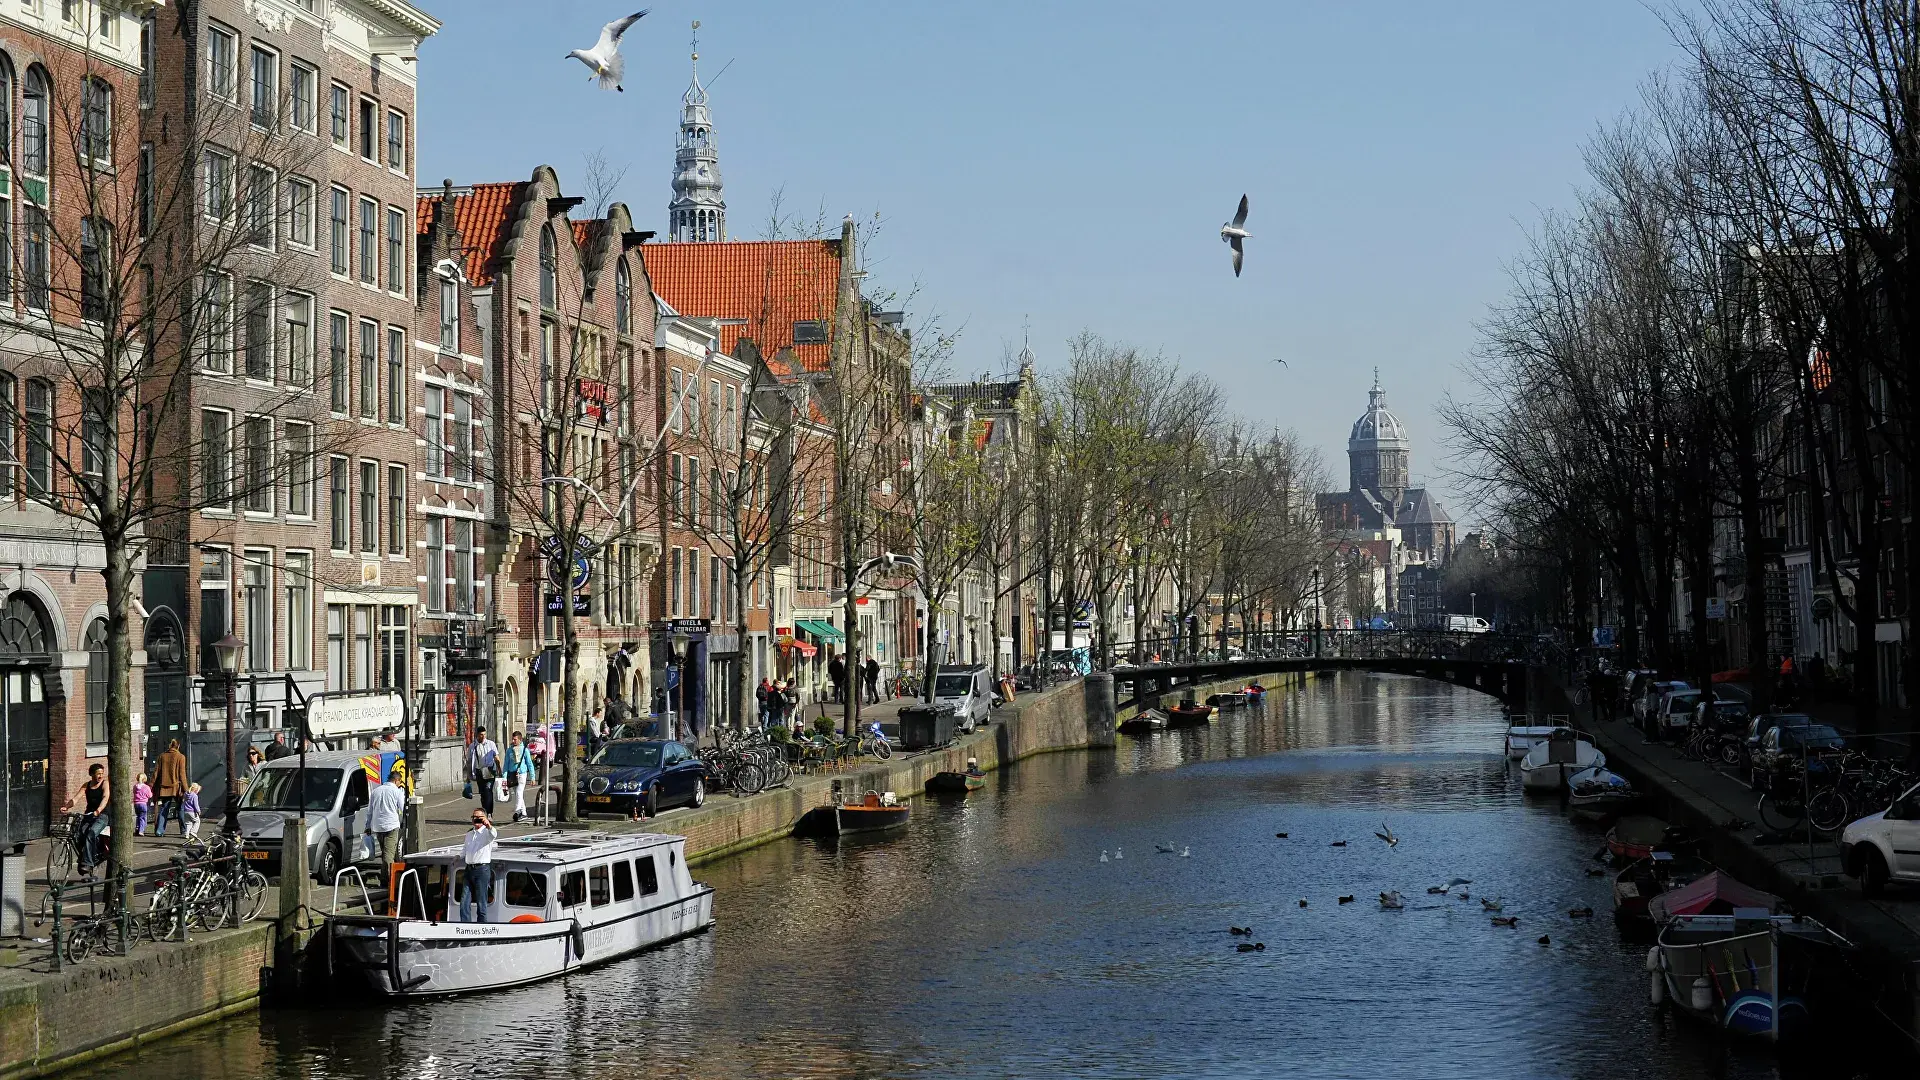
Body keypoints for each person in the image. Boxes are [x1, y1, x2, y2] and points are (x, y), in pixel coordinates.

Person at [62, 763, 110, 874]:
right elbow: (76, 798)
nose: (100, 776)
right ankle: (84, 857)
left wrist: (98, 810)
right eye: (98, 774)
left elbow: (105, 797)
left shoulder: (105, 784)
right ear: (92, 774)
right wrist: (66, 807)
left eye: (102, 773)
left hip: (102, 815)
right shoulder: (86, 785)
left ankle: (88, 863)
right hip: (89, 815)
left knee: (91, 833)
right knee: (78, 835)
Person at [365, 766, 407, 875]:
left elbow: (370, 811)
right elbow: (403, 808)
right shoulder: (397, 792)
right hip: (391, 826)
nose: (399, 784)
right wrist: (405, 822)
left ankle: (384, 877)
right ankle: (389, 878)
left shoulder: (375, 791)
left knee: (385, 853)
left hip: (378, 826)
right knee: (389, 854)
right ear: (396, 780)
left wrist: (367, 826)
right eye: (399, 782)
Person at [458, 809, 497, 923]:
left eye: (480, 817)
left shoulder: (487, 833)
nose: (477, 819)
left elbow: (494, 834)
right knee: (464, 901)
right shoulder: (469, 834)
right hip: (469, 869)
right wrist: (458, 856)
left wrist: (488, 825)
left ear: (484, 818)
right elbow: (465, 849)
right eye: (474, 817)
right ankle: (465, 925)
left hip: (482, 870)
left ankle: (482, 925)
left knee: (481, 902)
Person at [154, 738, 189, 837]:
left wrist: (151, 785)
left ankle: (160, 830)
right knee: (180, 808)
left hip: (164, 788)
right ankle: (183, 830)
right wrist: (186, 790)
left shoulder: (162, 756)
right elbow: (182, 775)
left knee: (164, 808)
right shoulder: (181, 757)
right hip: (177, 788)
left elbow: (156, 773)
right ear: (178, 746)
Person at [468, 727, 501, 815]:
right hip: (479, 772)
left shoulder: (491, 744)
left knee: (488, 790)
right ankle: (484, 811)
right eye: (481, 735)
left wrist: (499, 769)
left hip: (490, 771)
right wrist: (469, 775)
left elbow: (496, 757)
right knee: (483, 793)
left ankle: (489, 813)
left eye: (484, 734)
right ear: (477, 735)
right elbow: (469, 761)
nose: (483, 737)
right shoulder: (472, 746)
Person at [504, 730, 533, 822]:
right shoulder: (509, 750)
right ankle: (524, 813)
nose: (513, 741)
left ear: (520, 740)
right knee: (518, 794)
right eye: (513, 739)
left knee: (519, 792)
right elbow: (506, 764)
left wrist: (532, 777)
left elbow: (530, 764)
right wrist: (504, 777)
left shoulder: (524, 750)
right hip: (512, 775)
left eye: (515, 739)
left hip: (522, 774)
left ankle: (517, 811)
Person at [133, 772, 152, 837]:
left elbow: (134, 792)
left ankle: (137, 828)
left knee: (138, 816)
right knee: (142, 818)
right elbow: (150, 795)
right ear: (144, 779)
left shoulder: (135, 786)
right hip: (143, 804)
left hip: (136, 804)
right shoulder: (146, 787)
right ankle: (141, 831)